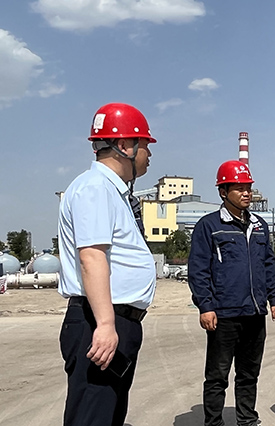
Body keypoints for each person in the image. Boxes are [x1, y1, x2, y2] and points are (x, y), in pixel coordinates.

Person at [57, 102, 157, 426]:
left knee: (108, 415)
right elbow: (92, 257)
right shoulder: (95, 188)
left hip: (113, 320)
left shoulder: (113, 192)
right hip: (98, 320)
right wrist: (105, 324)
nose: (149, 154)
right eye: (145, 145)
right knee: (92, 417)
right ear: (125, 146)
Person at [188, 160, 275, 426]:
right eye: (239, 188)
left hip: (255, 312)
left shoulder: (259, 225)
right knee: (217, 375)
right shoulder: (209, 226)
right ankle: (214, 422)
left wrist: (274, 298)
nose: (246, 193)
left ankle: (247, 420)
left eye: (248, 188)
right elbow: (198, 270)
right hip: (224, 314)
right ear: (223, 192)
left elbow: (268, 264)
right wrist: (205, 306)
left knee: (249, 373)